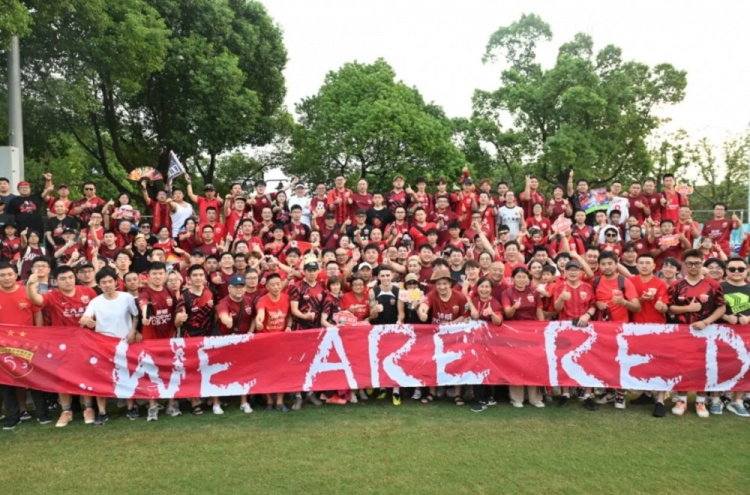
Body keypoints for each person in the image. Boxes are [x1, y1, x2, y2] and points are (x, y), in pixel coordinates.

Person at [27, 266, 99, 427]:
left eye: (70, 277)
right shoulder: (52, 296)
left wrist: (93, 322)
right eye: (63, 279)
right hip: (61, 345)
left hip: (85, 343)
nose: (68, 281)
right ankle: (66, 411)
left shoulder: (87, 292)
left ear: (75, 278)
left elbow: (99, 314)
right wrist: (31, 285)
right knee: (62, 377)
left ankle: (88, 408)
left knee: (85, 375)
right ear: (56, 281)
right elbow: (36, 300)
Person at [667, 249, 726, 418]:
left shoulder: (713, 285)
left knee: (703, 366)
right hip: (683, 332)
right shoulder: (676, 285)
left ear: (702, 263)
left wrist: (706, 321)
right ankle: (682, 399)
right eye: (690, 263)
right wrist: (688, 309)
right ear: (684, 265)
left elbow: (721, 307)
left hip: (706, 332)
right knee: (682, 365)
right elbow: (670, 307)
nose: (694, 267)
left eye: (697, 263)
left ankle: (700, 400)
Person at [78, 268, 139, 426]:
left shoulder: (126, 298)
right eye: (103, 282)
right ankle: (102, 411)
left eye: (110, 281)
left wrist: (133, 331)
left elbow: (135, 316)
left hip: (125, 343)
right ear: (98, 284)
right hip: (102, 345)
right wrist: (87, 321)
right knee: (101, 377)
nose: (107, 285)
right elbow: (84, 318)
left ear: (116, 282)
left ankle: (131, 407)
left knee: (127, 376)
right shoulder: (95, 301)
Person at [0, 262, 45, 430]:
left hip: (28, 345)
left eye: (9, 274)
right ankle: (14, 416)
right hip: (3, 348)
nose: (6, 278)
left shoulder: (26, 292)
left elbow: (37, 314)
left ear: (16, 275)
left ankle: (42, 413)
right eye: (2, 275)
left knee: (35, 377)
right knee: (6, 382)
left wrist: (39, 336)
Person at [418, 266, 469, 406]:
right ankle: (431, 393)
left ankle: (458, 394)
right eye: (439, 284)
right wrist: (422, 313)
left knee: (457, 362)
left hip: (455, 335)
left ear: (450, 284)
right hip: (436, 335)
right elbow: (424, 305)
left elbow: (466, 315)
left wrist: (452, 324)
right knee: (432, 362)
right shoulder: (432, 295)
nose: (442, 287)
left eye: (444, 283)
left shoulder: (459, 296)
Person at [137, 261, 177, 421]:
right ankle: (152, 406)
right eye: (154, 274)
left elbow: (176, 311)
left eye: (161, 273)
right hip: (150, 341)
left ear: (165, 275)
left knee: (170, 372)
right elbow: (143, 305)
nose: (158, 276)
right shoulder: (145, 293)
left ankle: (171, 404)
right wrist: (145, 316)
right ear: (149, 276)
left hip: (168, 339)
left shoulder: (170, 292)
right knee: (150, 373)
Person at [255, 273, 292, 412]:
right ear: (267, 286)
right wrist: (259, 321)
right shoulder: (262, 300)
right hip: (265, 341)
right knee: (266, 371)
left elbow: (289, 317)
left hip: (281, 341)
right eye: (272, 285)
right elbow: (260, 314)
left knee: (281, 371)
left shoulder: (287, 298)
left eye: (278, 284)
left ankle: (280, 401)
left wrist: (288, 326)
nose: (276, 287)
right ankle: (269, 400)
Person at [718, 257, 750, 417]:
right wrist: (726, 317)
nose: (736, 272)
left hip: (746, 336)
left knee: (745, 367)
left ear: (747, 269)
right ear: (726, 271)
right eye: (732, 269)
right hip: (721, 334)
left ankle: (737, 401)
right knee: (718, 365)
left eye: (740, 269)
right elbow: (711, 308)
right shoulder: (719, 287)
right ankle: (716, 398)